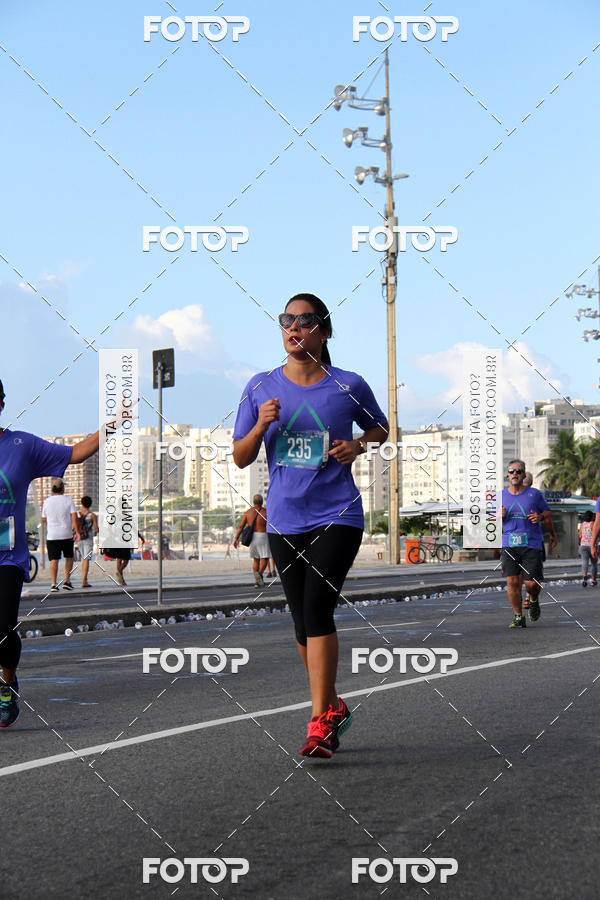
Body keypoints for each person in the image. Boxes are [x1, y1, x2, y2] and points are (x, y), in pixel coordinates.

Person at [232, 293, 388, 758]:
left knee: (318, 610)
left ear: (323, 330)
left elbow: (381, 428)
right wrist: (260, 427)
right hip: (283, 520)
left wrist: (357, 446)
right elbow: (240, 457)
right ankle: (333, 704)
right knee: (301, 622)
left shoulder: (348, 384)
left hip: (338, 513)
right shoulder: (259, 387)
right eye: (286, 320)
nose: (293, 327)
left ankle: (319, 721)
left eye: (304, 320)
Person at [0, 378, 100, 726]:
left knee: (3, 629)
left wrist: (110, 429)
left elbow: (74, 454)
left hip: (6, 557)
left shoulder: (20, 446)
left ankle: (7, 681)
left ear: (0, 404)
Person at [501, 459, 557, 628]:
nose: (515, 474)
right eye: (511, 471)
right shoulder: (500, 496)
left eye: (518, 471)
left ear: (524, 474)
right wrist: (498, 516)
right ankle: (518, 616)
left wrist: (540, 516)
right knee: (512, 582)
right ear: (507, 475)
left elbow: (547, 510)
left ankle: (533, 599)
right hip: (509, 544)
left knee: (531, 583)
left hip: (531, 543)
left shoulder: (534, 494)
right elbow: (490, 520)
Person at [41, 478, 79, 592]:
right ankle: (67, 581)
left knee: (54, 560)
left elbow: (44, 519)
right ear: (63, 488)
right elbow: (74, 517)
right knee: (69, 557)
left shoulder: (47, 501)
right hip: (66, 534)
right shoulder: (68, 500)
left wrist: (51, 524)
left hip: (52, 535)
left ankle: (54, 584)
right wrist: (77, 531)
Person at [233, 495, 269, 587]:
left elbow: (241, 526)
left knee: (256, 560)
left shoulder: (248, 512)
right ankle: (260, 574)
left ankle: (257, 581)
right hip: (263, 535)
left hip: (252, 537)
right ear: (262, 502)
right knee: (265, 558)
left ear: (253, 502)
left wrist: (236, 538)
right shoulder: (266, 512)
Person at [78, 495, 98, 588]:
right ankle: (84, 581)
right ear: (90, 504)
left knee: (83, 559)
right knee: (86, 559)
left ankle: (84, 579)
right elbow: (96, 529)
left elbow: (74, 527)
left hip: (79, 538)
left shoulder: (78, 514)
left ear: (82, 503)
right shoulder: (92, 515)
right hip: (88, 538)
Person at [578, 510, 597, 587]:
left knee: (584, 562)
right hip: (592, 546)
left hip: (583, 545)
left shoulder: (582, 524)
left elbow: (580, 535)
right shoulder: (593, 524)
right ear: (592, 517)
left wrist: (581, 542)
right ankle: (593, 580)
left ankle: (584, 576)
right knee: (594, 563)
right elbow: (595, 534)